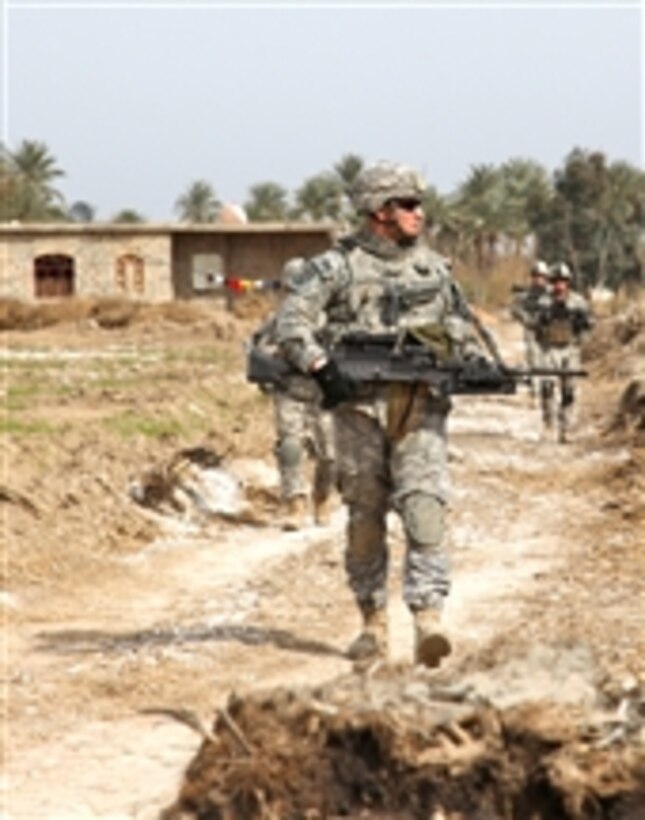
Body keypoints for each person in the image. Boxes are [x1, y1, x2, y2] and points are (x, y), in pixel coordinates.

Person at [275, 160, 484, 668]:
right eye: (409, 204)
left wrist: (462, 356)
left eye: (418, 204)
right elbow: (291, 324)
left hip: (419, 407)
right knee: (366, 516)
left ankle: (428, 617)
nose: (419, 213)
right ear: (380, 211)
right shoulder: (336, 268)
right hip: (358, 413)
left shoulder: (432, 268)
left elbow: (462, 324)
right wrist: (323, 368)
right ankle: (371, 622)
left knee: (424, 506)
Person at [250, 260, 336, 530]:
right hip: (290, 391)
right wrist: (278, 357)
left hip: (324, 395)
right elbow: (258, 351)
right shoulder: (277, 320)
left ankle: (322, 497)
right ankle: (295, 503)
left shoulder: (330, 320)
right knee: (290, 448)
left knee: (331, 455)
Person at [534, 262, 594, 442]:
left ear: (568, 282)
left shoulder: (578, 302)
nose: (560, 285)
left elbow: (589, 325)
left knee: (569, 390)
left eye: (563, 281)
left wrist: (581, 336)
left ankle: (566, 428)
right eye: (556, 281)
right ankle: (549, 425)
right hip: (550, 349)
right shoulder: (544, 302)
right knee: (547, 387)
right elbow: (536, 327)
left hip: (570, 349)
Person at [510, 259, 550, 399]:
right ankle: (535, 389)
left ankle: (546, 388)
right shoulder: (526, 295)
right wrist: (526, 319)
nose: (539, 279)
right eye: (536, 276)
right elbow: (514, 309)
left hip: (548, 333)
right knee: (533, 358)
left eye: (542, 276)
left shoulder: (551, 294)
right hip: (532, 331)